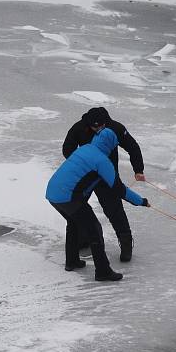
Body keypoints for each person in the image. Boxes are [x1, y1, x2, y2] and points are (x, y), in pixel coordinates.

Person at [46, 128, 150, 281]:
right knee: (94, 229)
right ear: (110, 146)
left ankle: (72, 261)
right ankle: (103, 271)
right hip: (69, 197)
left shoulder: (86, 148)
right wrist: (141, 201)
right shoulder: (102, 161)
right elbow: (119, 190)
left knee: (73, 223)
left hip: (52, 193)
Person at [63, 107, 146, 262]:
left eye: (102, 126)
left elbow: (133, 147)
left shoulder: (115, 128)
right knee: (77, 210)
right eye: (95, 127)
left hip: (107, 176)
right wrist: (79, 165)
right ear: (88, 124)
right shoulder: (78, 128)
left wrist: (138, 169)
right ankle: (82, 240)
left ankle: (126, 242)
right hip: (86, 177)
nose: (99, 129)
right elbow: (67, 149)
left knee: (114, 210)